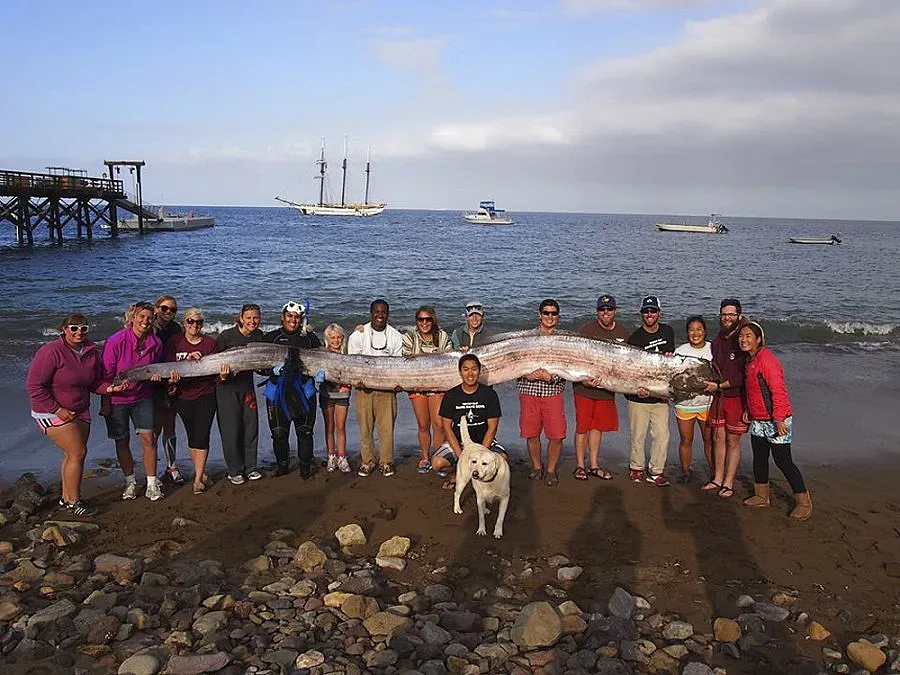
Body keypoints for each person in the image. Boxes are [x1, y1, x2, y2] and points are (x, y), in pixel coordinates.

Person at [26, 314, 126, 516]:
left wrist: (111, 390)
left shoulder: (91, 351)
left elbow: (94, 383)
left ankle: (65, 498)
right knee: (77, 453)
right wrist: (58, 410)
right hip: (50, 411)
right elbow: (35, 386)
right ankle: (74, 501)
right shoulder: (50, 351)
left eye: (83, 328)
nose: (79, 332)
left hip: (80, 410)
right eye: (74, 328)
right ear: (64, 329)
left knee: (71, 455)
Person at [738, 322, 811, 520]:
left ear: (759, 339)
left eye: (748, 336)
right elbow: (753, 391)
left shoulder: (767, 361)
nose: (743, 339)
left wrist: (779, 419)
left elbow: (778, 392)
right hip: (759, 420)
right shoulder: (750, 360)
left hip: (777, 419)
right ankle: (761, 495)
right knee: (759, 459)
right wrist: (748, 410)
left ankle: (803, 502)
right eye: (741, 336)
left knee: (783, 461)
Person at [100, 301, 165, 501]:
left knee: (148, 439)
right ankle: (130, 482)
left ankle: (152, 484)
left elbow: (155, 369)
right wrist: (106, 400)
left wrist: (156, 377)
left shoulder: (155, 343)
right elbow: (106, 374)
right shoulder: (116, 340)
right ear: (133, 317)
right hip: (117, 398)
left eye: (149, 318)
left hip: (142, 396)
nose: (145, 321)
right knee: (122, 441)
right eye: (141, 317)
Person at [571, 293, 629, 481]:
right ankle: (580, 465)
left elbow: (627, 364)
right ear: (597, 311)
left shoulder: (622, 332)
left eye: (609, 309)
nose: (606, 312)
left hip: (606, 390)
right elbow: (573, 358)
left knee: (597, 427)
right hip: (584, 389)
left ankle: (594, 465)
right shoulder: (585, 329)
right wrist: (582, 380)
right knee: (582, 427)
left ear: (615, 311)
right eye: (602, 309)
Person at [262, 301, 322, 479]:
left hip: (304, 390)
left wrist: (322, 373)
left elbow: (322, 360)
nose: (293, 320)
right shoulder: (270, 338)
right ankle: (282, 465)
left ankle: (305, 467)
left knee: (305, 431)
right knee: (279, 432)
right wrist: (270, 370)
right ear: (282, 318)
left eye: (296, 317)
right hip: (277, 391)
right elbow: (258, 365)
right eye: (289, 316)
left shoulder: (310, 338)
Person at [164, 308, 219, 495]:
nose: (195, 325)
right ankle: (200, 472)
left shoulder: (210, 343)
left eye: (199, 322)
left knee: (202, 435)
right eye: (190, 321)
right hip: (182, 395)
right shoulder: (174, 342)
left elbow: (215, 371)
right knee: (192, 435)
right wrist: (183, 363)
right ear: (184, 323)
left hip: (205, 394)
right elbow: (167, 364)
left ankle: (197, 480)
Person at [347, 299, 403, 477]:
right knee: (365, 427)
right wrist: (357, 380)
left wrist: (397, 383)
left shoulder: (395, 336)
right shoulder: (358, 335)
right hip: (364, 389)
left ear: (388, 314)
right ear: (371, 313)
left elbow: (399, 364)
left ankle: (387, 462)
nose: (380, 315)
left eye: (384, 312)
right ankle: (367, 461)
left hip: (387, 390)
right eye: (377, 312)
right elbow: (352, 362)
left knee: (386, 428)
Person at [625, 295, 676, 487]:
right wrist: (637, 389)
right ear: (641, 314)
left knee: (662, 435)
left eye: (653, 311)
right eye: (646, 311)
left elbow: (669, 363)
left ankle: (656, 471)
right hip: (639, 396)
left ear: (659, 313)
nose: (649, 314)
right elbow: (629, 369)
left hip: (660, 396)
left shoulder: (667, 331)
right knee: (638, 435)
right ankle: (636, 468)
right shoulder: (635, 338)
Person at [701, 299, 749, 498]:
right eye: (724, 314)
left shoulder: (744, 338)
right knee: (717, 437)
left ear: (738, 315)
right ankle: (717, 478)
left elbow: (743, 375)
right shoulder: (719, 339)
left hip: (736, 396)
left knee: (732, 440)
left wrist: (720, 386)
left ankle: (729, 482)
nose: (727, 318)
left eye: (731, 314)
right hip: (719, 396)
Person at [434, 353, 505, 488]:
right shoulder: (451, 395)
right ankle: (458, 472)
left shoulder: (490, 395)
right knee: (437, 463)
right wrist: (463, 457)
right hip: (459, 442)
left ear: (479, 371)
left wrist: (481, 454)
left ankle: (479, 475)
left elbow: (493, 427)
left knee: (502, 461)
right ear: (460, 372)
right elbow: (447, 428)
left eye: (474, 369)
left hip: (483, 441)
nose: (470, 374)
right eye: (466, 369)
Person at [517, 299, 567, 487]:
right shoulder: (526, 338)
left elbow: (570, 365)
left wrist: (551, 378)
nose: (550, 317)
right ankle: (537, 466)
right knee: (531, 433)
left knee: (556, 435)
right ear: (540, 315)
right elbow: (513, 361)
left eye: (553, 313)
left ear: (558, 316)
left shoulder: (564, 340)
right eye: (546, 313)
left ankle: (551, 470)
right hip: (528, 390)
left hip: (552, 391)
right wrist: (526, 374)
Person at [216, 303, 264, 485]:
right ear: (241, 318)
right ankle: (234, 470)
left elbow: (261, 364)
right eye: (249, 317)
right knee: (231, 430)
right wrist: (221, 376)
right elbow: (213, 363)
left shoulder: (259, 337)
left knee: (251, 427)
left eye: (256, 318)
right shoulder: (226, 337)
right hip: (226, 388)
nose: (253, 321)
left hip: (247, 386)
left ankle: (250, 468)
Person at [402, 305, 452, 473]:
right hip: (417, 386)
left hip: (437, 385)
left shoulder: (443, 336)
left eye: (428, 319)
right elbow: (405, 361)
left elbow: (449, 360)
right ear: (417, 322)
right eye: (421, 319)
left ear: (433, 320)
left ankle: (438, 457)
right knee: (423, 424)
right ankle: (425, 457)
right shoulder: (410, 337)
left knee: (439, 425)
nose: (424, 323)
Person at [673, 315, 713, 483]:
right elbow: (673, 376)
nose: (695, 333)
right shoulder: (680, 351)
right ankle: (686, 472)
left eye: (698, 329)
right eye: (691, 330)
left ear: (704, 331)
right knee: (686, 440)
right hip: (685, 404)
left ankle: (715, 472)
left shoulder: (713, 349)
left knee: (709, 440)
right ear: (687, 332)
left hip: (708, 404)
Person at [152, 295, 184, 485]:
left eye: (172, 310)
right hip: (151, 382)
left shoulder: (176, 328)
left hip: (170, 380)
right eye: (164, 308)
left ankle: (172, 466)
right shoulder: (149, 327)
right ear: (156, 309)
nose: (168, 313)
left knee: (170, 425)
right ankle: (152, 471)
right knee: (154, 429)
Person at [320, 323, 352, 473]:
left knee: (340, 426)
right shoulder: (322, 354)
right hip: (326, 394)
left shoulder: (347, 355)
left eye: (339, 337)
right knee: (329, 427)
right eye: (332, 338)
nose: (336, 341)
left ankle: (342, 456)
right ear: (327, 339)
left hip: (342, 394)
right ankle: (331, 456)